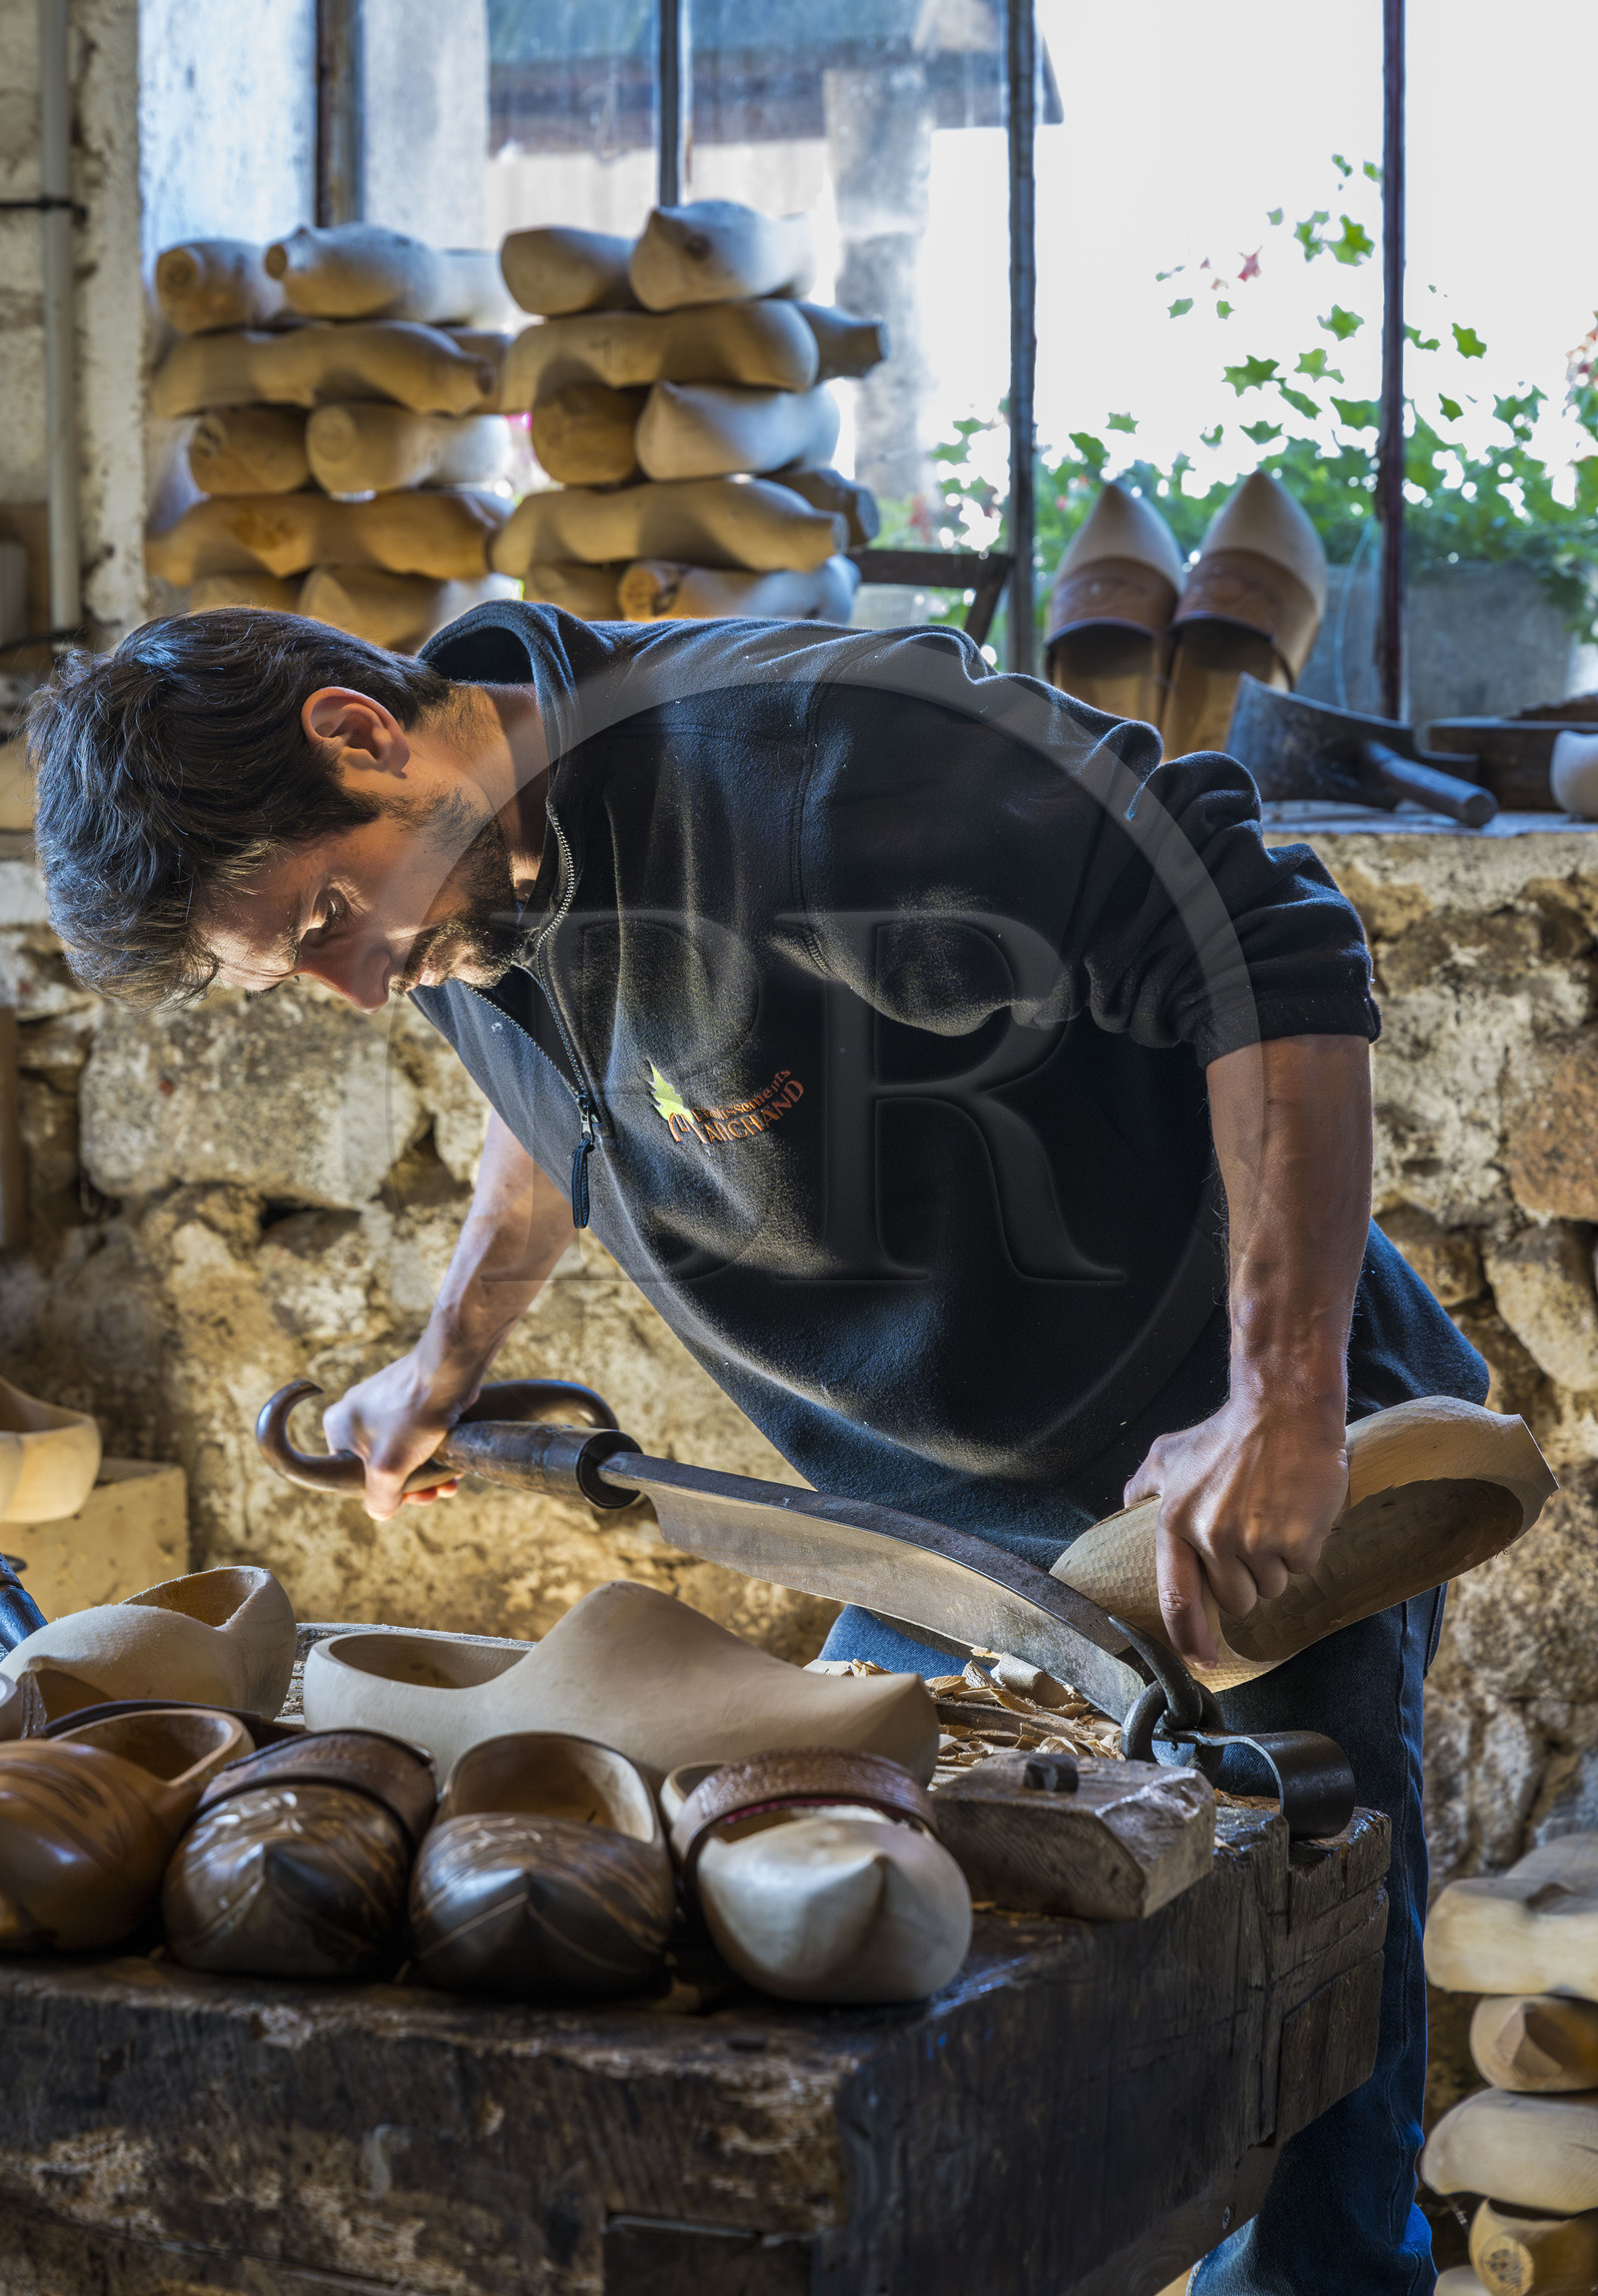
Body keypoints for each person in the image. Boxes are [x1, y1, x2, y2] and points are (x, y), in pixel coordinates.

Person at [30, 600, 1483, 2293]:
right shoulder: (464, 883)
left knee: (1293, 2017)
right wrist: (442, 1358)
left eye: (332, 919)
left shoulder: (803, 761)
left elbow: (1265, 932)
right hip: (939, 1532)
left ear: (360, 731)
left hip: (1216, 1461)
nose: (355, 984)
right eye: (299, 966)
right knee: (923, 1970)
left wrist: (1286, 1397)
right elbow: (550, 1089)